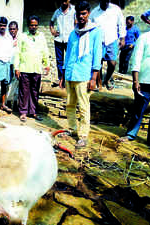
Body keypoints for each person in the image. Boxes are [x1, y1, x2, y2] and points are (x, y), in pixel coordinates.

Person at [59, 1, 103, 148]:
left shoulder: (95, 31)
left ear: (88, 14)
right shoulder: (73, 33)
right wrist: (63, 74)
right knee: (70, 104)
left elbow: (97, 55)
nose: (81, 16)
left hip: (84, 75)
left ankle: (83, 136)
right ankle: (72, 129)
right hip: (70, 74)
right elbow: (69, 55)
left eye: (84, 13)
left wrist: (94, 78)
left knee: (84, 107)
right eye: (79, 14)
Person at [117, 17, 150, 150]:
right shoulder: (145, 37)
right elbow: (136, 59)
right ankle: (131, 134)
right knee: (138, 110)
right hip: (145, 81)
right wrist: (135, 80)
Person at [14, 15, 50, 122]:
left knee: (35, 91)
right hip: (25, 68)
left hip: (37, 69)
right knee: (24, 91)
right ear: (28, 25)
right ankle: (23, 112)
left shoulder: (42, 36)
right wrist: (17, 67)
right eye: (31, 25)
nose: (33, 27)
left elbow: (45, 50)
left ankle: (33, 112)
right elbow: (17, 52)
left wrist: (47, 64)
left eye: (35, 25)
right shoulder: (22, 36)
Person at [89, 0, 126, 90]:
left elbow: (121, 24)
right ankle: (99, 82)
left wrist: (122, 38)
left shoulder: (116, 9)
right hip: (98, 41)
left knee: (112, 63)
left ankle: (107, 79)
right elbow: (89, 27)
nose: (106, 2)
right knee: (98, 63)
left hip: (112, 39)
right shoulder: (94, 12)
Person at [49, 0, 76, 87]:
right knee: (59, 61)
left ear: (69, 0)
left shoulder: (74, 10)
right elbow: (51, 22)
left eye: (65, 0)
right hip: (59, 39)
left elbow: (77, 22)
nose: (63, 2)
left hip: (70, 40)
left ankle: (68, 78)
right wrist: (52, 30)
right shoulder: (57, 11)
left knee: (70, 60)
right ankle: (61, 78)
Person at [5, 21, 19, 110]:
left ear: (17, 29)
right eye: (10, 29)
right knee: (8, 83)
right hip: (8, 63)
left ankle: (16, 103)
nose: (12, 31)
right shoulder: (6, 38)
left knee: (17, 84)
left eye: (14, 29)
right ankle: (8, 102)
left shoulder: (20, 39)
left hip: (17, 65)